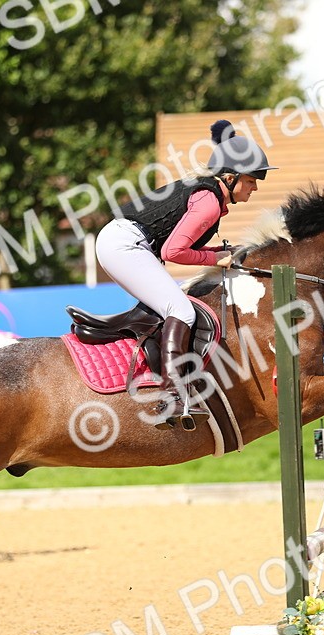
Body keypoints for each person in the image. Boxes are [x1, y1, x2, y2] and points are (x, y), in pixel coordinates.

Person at [96, 119, 276, 430]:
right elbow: (172, 252)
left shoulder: (208, 197)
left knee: (169, 307)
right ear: (230, 178)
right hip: (124, 244)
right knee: (179, 309)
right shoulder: (207, 202)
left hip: (123, 241)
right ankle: (172, 397)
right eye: (251, 180)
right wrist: (216, 257)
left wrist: (218, 250)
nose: (255, 188)